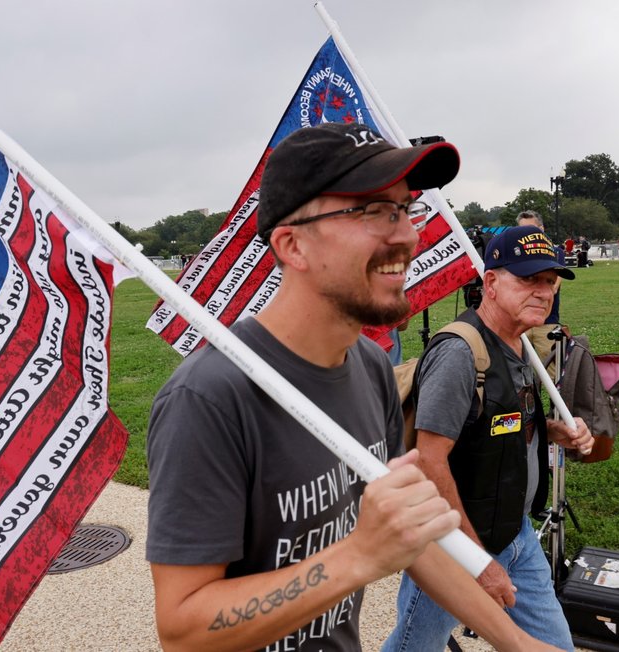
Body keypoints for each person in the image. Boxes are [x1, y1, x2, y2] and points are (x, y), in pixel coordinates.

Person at [146, 123, 557, 652]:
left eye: (405, 210)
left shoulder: (368, 368)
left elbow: (416, 544)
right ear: (293, 244)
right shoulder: (210, 398)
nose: (408, 235)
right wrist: (357, 557)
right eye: (373, 212)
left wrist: (518, 643)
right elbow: (181, 629)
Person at [383, 225, 594, 651]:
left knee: (556, 646)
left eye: (549, 282)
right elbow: (430, 460)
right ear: (491, 283)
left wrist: (556, 432)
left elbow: (505, 424)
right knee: (415, 647)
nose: (543, 291)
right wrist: (475, 558)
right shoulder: (460, 354)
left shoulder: (519, 345)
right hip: (459, 543)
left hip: (516, 534)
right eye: (528, 279)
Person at [515, 211, 561, 366]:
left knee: (554, 374)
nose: (527, 234)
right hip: (519, 323)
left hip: (546, 323)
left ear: (542, 229)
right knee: (516, 371)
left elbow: (554, 287)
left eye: (531, 229)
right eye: (522, 230)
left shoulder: (554, 252)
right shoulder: (516, 256)